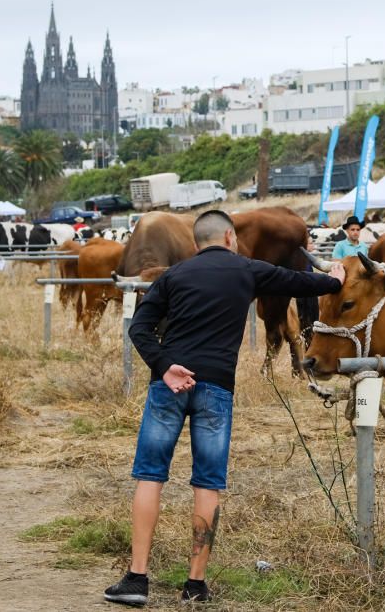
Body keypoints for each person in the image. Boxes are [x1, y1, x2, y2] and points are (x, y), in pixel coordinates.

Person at [104, 210, 345, 607]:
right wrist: (335, 276)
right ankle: (195, 586)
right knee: (207, 485)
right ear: (231, 238)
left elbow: (139, 329)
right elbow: (302, 280)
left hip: (169, 385)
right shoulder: (247, 270)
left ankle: (136, 579)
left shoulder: (172, 276)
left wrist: (164, 366)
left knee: (150, 477)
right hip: (216, 387)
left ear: (196, 243)